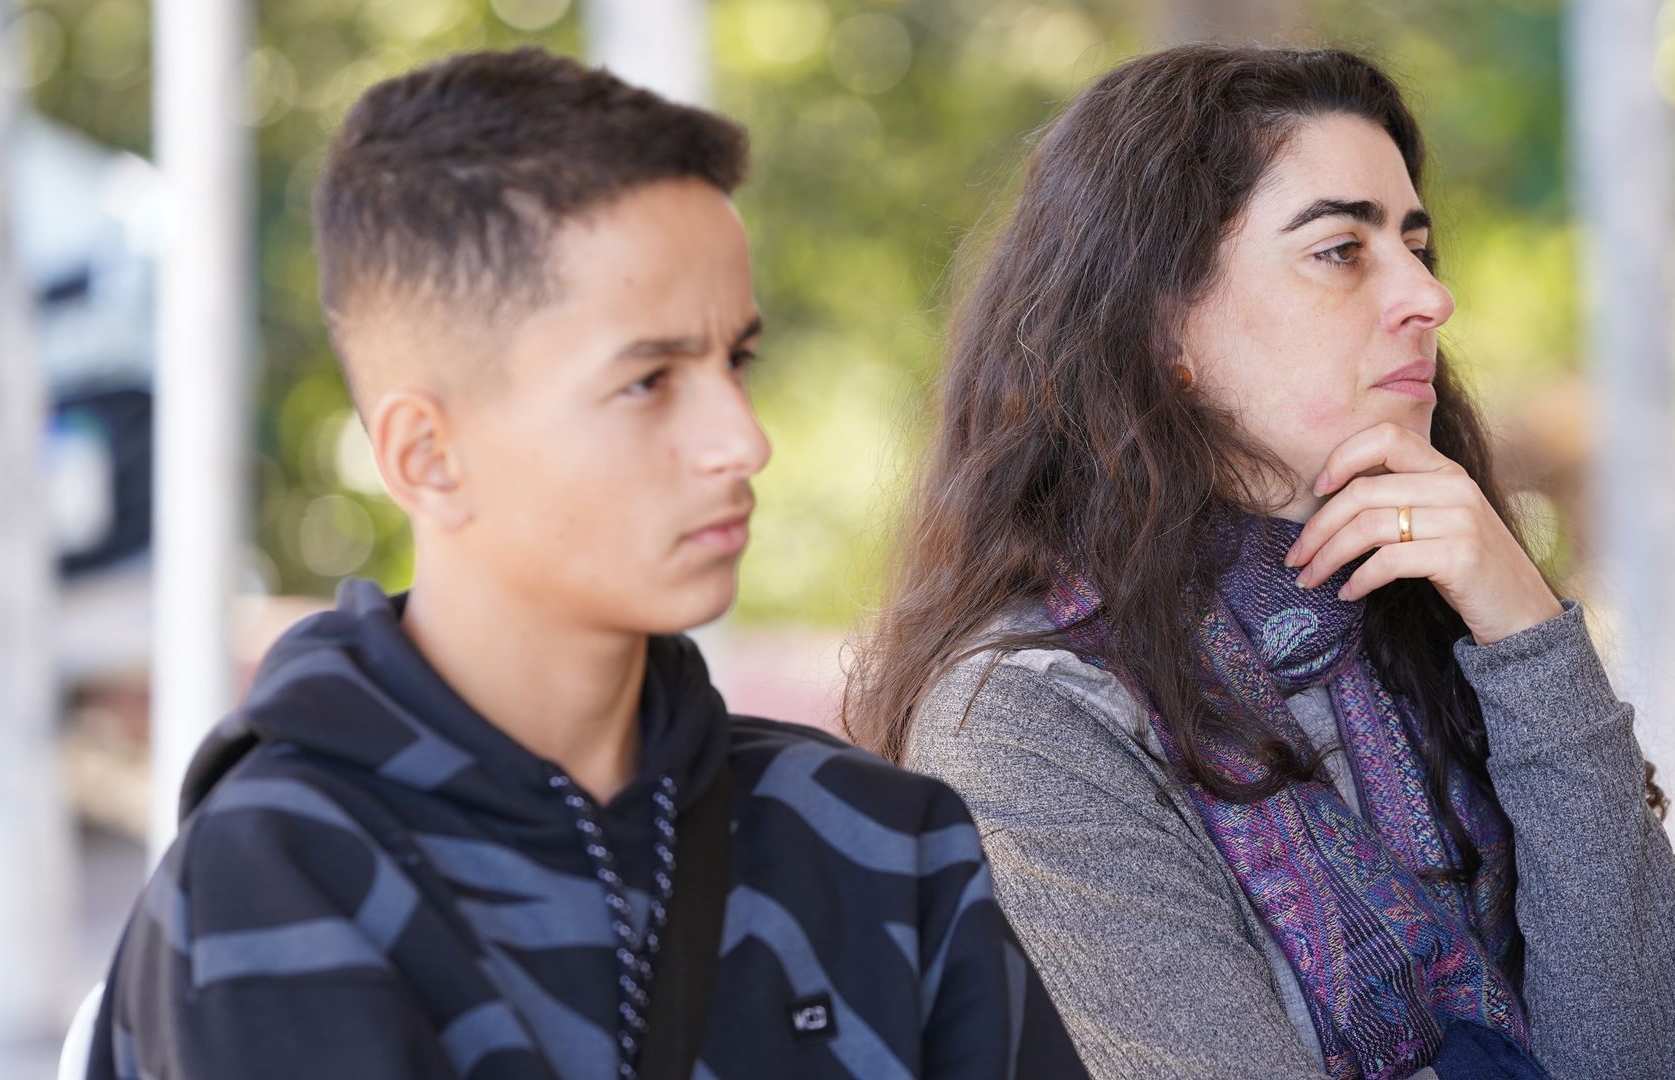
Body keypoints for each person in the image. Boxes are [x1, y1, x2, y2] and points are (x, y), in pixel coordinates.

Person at [86, 47, 1082, 1080]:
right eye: (649, 380)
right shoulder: (277, 880)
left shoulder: (879, 842)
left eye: (735, 360)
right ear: (428, 456)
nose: (741, 441)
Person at [846, 45, 1675, 1080]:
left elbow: (1669, 1060)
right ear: (1160, 322)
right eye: (1340, 250)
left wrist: (1529, 637)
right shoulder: (1029, 718)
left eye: (1417, 245)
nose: (1428, 297)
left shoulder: (1442, 621)